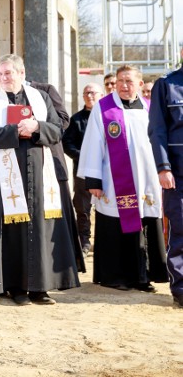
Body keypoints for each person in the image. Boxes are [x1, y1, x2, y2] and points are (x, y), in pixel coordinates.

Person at [0, 54, 81, 306]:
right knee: (11, 231)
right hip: (5, 179)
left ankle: (39, 288)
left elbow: (57, 130)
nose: (4, 78)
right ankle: (15, 288)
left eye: (9, 73)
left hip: (40, 172)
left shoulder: (41, 98)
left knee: (41, 228)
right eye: (0, 74)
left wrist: (36, 127)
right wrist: (15, 131)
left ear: (22, 73)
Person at [78, 65, 167, 292]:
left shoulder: (149, 108)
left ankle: (143, 276)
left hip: (147, 181)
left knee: (145, 224)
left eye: (129, 81)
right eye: (120, 81)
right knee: (115, 227)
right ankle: (115, 276)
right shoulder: (104, 107)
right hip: (113, 181)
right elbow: (92, 145)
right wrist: (94, 180)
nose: (124, 86)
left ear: (139, 84)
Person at [27, 80, 86, 272]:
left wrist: (36, 126)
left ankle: (61, 267)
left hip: (50, 162)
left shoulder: (44, 90)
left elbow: (63, 120)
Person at [147, 53, 183, 308]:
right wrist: (163, 167)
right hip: (178, 172)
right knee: (180, 230)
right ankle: (180, 288)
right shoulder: (166, 84)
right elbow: (157, 129)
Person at [63, 83, 103, 254]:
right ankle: (84, 241)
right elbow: (67, 143)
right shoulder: (77, 119)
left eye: (93, 92)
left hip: (106, 170)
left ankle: (103, 241)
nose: (89, 95)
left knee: (106, 208)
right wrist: (85, 156)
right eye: (86, 93)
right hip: (83, 171)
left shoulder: (107, 115)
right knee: (83, 208)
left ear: (101, 95)